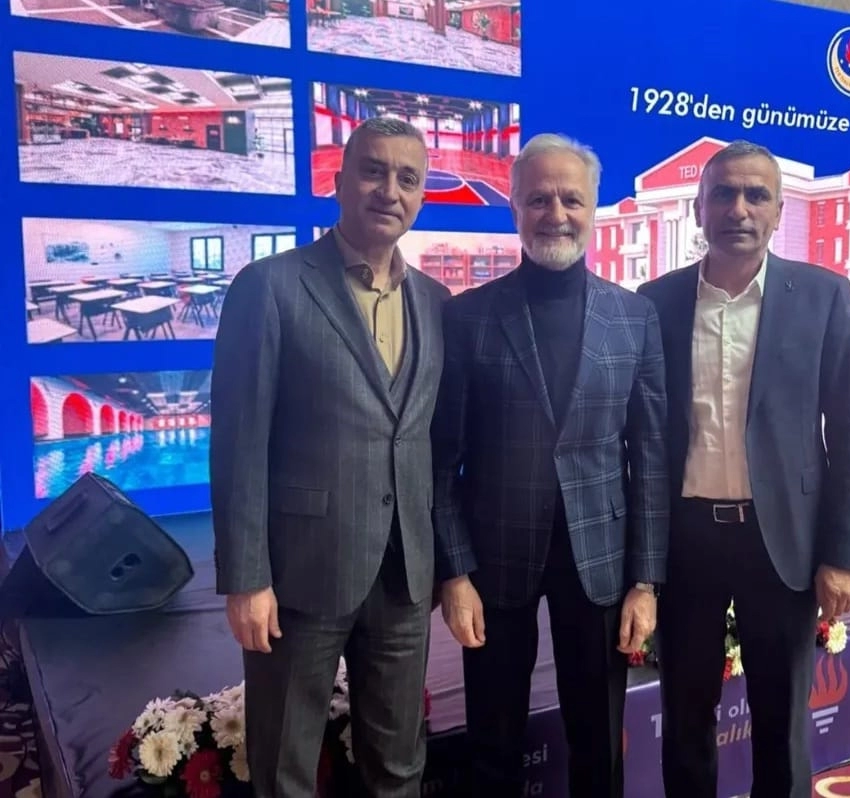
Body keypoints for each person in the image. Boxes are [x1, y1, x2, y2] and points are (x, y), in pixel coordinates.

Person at [210, 117, 451, 797]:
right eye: (373, 171)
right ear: (338, 181)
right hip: (299, 575)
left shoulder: (436, 303)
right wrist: (246, 578)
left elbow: (428, 440)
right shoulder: (270, 286)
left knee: (399, 768)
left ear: (421, 196)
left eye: (408, 178)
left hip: (404, 575)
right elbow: (239, 443)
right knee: (284, 769)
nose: (389, 190)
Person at [431, 132, 669, 798]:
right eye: (538, 199)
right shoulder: (466, 318)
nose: (555, 213)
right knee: (492, 743)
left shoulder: (635, 317)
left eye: (571, 199)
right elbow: (440, 461)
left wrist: (646, 580)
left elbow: (651, 456)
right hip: (493, 563)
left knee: (599, 741)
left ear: (594, 208)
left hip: (602, 562)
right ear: (514, 208)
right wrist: (454, 573)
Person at [637, 140, 850, 798]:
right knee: (685, 715)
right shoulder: (655, 302)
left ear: (778, 212)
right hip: (686, 542)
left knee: (781, 719)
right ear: (698, 208)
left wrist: (844, 555)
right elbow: (643, 439)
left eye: (756, 195)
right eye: (723, 194)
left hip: (782, 542)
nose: (738, 209)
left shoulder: (822, 297)